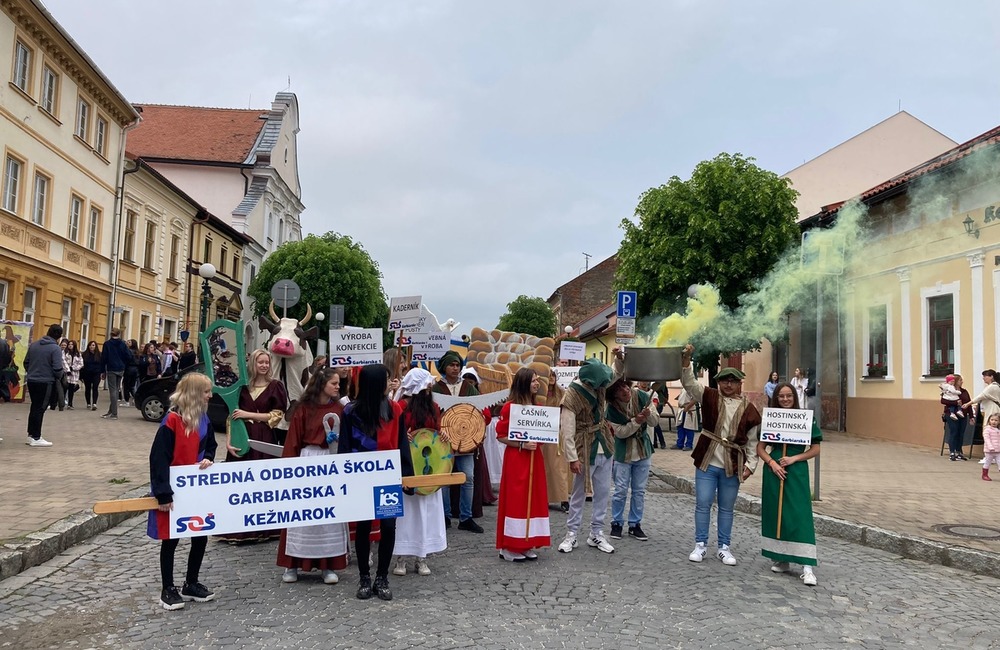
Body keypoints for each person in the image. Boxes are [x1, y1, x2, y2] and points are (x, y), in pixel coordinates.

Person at [680, 345, 761, 566]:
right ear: (719, 382)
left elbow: (753, 442)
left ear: (739, 384)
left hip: (733, 464)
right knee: (703, 503)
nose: (728, 384)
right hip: (707, 460)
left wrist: (751, 465)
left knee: (727, 507)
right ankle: (700, 545)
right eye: (725, 380)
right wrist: (686, 359)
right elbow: (688, 383)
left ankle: (724, 547)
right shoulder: (708, 396)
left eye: (733, 381)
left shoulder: (750, 409)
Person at [339, 364, 413, 601]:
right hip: (361, 477)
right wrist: (344, 477)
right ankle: (364, 577)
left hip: (388, 476)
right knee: (363, 526)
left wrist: (407, 476)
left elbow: (402, 444)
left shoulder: (395, 410)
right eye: (386, 379)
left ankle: (382, 577)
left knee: (389, 527)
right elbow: (344, 447)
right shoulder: (350, 412)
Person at [147, 372, 218, 610]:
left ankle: (191, 582)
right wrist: (163, 494)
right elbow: (158, 459)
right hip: (174, 489)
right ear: (196, 394)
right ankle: (168, 588)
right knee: (171, 539)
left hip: (196, 488)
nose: (210, 395)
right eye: (206, 391)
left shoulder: (203, 418)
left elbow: (211, 445)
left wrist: (208, 458)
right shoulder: (172, 421)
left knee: (200, 535)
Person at [277, 367, 349, 584]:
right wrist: (289, 470)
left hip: (330, 462)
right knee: (301, 515)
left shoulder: (340, 409)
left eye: (338, 383)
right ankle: (292, 565)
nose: (338, 387)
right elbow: (293, 441)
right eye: (334, 383)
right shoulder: (304, 408)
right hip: (307, 461)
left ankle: (327, 566)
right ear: (322, 384)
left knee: (328, 515)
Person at [218, 348, 288, 542]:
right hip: (242, 436)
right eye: (260, 362)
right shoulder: (241, 387)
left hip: (264, 437)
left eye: (267, 362)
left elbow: (276, 416)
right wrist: (229, 440)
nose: (264, 366)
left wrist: (248, 415)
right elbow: (232, 416)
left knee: (262, 484)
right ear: (253, 364)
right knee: (241, 484)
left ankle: (264, 528)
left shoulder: (276, 386)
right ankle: (238, 528)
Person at [756, 382, 822, 586]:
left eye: (789, 396)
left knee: (799, 514)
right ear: (776, 398)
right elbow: (760, 448)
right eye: (781, 396)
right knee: (776, 514)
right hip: (774, 470)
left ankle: (807, 566)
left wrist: (794, 459)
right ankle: (782, 558)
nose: (785, 399)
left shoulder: (805, 418)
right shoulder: (770, 418)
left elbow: (815, 448)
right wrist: (772, 463)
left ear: (794, 397)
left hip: (796, 469)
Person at [557, 357, 616, 555]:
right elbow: (567, 429)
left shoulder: (600, 384)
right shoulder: (572, 395)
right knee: (579, 494)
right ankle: (571, 533)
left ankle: (596, 532)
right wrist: (572, 457)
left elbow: (615, 374)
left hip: (604, 445)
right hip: (584, 447)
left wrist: (619, 359)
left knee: (602, 492)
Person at [393, 368, 448, 576]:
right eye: (426, 383)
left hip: (429, 466)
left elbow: (437, 432)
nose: (430, 386)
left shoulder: (433, 407)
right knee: (406, 514)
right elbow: (393, 433)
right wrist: (402, 437)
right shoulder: (400, 407)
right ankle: (401, 558)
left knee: (426, 513)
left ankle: (421, 556)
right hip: (408, 466)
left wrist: (441, 437)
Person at [495, 368, 551, 562]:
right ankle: (509, 545)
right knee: (516, 499)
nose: (537, 383)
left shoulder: (537, 407)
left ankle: (526, 542)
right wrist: (521, 444)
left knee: (534, 498)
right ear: (524, 383)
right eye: (534, 381)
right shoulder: (509, 408)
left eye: (537, 380)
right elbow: (501, 436)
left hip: (535, 458)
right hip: (517, 458)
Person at [606, 358, 658, 543]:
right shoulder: (611, 409)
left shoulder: (642, 396)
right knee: (620, 490)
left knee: (639, 490)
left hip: (643, 450)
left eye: (626, 387)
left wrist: (648, 415)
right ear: (614, 396)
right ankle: (617, 523)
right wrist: (637, 421)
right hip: (623, 453)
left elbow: (655, 421)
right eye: (620, 390)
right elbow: (620, 433)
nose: (625, 391)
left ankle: (635, 524)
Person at [432, 350, 483, 533]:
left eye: (457, 365)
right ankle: (443, 517)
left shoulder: (469, 388)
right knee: (444, 479)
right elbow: (431, 414)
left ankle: (466, 517)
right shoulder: (435, 388)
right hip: (443, 440)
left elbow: (479, 412)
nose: (455, 368)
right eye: (451, 365)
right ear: (444, 367)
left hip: (465, 441)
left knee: (468, 477)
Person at [23, 324, 64, 447]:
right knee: (40, 408)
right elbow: (57, 368)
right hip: (46, 381)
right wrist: (59, 376)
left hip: (32, 380)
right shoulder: (55, 348)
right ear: (59, 336)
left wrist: (32, 371)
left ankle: (31, 435)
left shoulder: (34, 345)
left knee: (34, 406)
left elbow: (26, 362)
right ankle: (36, 437)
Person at [541, 378, 570, 513]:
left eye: (553, 375)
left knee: (559, 467)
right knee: (544, 467)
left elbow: (566, 412)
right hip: (542, 434)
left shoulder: (562, 392)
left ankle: (564, 498)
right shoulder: (540, 393)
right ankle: (544, 498)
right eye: (549, 375)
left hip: (556, 433)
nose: (551, 378)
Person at [100, 328, 132, 420]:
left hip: (111, 369)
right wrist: (123, 363)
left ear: (111, 334)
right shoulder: (123, 343)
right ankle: (110, 411)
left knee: (113, 391)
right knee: (116, 389)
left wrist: (102, 371)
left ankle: (114, 414)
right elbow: (129, 356)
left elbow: (104, 358)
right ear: (119, 334)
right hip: (121, 369)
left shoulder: (107, 344)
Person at [943, 374, 974, 461]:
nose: (962, 382)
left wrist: (971, 416)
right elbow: (943, 401)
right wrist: (956, 403)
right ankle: (952, 452)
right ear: (955, 381)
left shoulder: (964, 391)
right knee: (954, 432)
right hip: (952, 414)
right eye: (960, 380)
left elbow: (969, 404)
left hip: (963, 415)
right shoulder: (948, 390)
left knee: (961, 433)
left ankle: (959, 452)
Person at [80, 341, 102, 411]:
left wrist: (102, 373)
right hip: (87, 373)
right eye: (90, 345)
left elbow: (102, 364)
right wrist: (81, 376)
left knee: (95, 387)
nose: (91, 347)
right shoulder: (85, 355)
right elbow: (82, 366)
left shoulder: (99, 354)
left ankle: (94, 403)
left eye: (93, 345)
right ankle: (88, 403)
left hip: (96, 373)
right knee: (88, 388)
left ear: (95, 346)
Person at [62, 340, 83, 410]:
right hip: (66, 373)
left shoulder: (78, 354)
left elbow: (81, 364)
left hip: (74, 373)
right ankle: (62, 402)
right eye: (69, 344)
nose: (70, 345)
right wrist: (67, 369)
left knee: (71, 389)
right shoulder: (64, 352)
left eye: (72, 344)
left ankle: (70, 404)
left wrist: (73, 368)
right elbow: (63, 361)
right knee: (64, 387)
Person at [47, 339, 67, 411]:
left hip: (55, 373)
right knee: (58, 390)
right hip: (57, 372)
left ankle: (58, 404)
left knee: (57, 389)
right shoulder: (57, 350)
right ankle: (57, 405)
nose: (63, 346)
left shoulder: (56, 350)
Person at [122, 339, 141, 407]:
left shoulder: (129, 351)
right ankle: (135, 398)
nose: (127, 343)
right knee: (132, 386)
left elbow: (126, 360)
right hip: (135, 370)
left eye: (129, 342)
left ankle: (127, 401)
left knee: (126, 385)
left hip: (129, 369)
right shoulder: (137, 352)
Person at [982, 413, 1000, 481]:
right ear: (989, 420)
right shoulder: (987, 429)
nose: (994, 422)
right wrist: (990, 447)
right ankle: (984, 475)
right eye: (992, 420)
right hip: (989, 450)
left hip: (998, 450)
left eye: (996, 420)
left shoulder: (998, 430)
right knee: (987, 462)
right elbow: (987, 439)